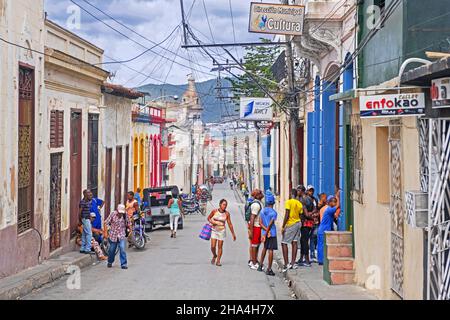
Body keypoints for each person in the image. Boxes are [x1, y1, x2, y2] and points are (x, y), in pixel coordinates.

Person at [207, 199, 237, 267]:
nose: (225, 206)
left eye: (226, 205)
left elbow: (230, 224)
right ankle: (215, 255)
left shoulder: (227, 214)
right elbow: (208, 218)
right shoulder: (214, 211)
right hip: (214, 230)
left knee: (220, 246)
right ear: (220, 204)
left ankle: (218, 261)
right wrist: (212, 222)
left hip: (221, 231)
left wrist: (233, 234)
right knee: (213, 246)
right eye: (223, 204)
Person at [281, 189, 303, 271]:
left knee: (284, 242)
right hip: (298, 223)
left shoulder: (289, 202)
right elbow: (300, 215)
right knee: (294, 242)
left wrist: (283, 226)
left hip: (291, 224)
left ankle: (286, 263)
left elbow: (287, 214)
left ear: (291, 194)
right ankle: (293, 263)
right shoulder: (299, 204)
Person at [317, 190, 341, 265]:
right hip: (323, 230)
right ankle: (321, 260)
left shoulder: (327, 209)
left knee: (321, 245)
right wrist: (337, 197)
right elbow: (337, 206)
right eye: (333, 201)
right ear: (329, 202)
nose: (334, 203)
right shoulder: (329, 209)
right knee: (322, 245)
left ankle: (321, 259)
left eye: (335, 201)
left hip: (323, 229)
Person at [258, 192, 278, 276]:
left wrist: (265, 232)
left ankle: (260, 265)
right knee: (270, 250)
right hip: (271, 233)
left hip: (264, 233)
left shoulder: (262, 211)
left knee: (264, 248)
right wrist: (268, 232)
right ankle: (269, 269)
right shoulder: (274, 213)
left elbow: (260, 223)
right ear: (273, 203)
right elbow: (270, 224)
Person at [105, 204, 129, 269]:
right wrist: (106, 232)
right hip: (113, 235)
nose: (120, 214)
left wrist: (130, 231)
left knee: (122, 248)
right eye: (119, 212)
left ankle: (123, 264)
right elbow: (106, 222)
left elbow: (129, 223)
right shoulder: (113, 214)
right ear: (117, 211)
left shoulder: (125, 215)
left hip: (121, 234)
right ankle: (110, 261)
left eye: (122, 213)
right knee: (112, 250)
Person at [297, 185, 313, 267]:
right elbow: (314, 209)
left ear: (301, 191)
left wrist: (309, 216)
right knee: (303, 240)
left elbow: (306, 213)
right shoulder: (310, 198)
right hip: (309, 222)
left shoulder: (303, 200)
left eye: (298, 190)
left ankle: (306, 260)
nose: (297, 192)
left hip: (305, 222)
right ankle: (301, 258)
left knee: (304, 241)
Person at [248, 189, 264, 270]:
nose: (262, 194)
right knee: (254, 245)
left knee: (256, 245)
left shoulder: (258, 203)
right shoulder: (256, 205)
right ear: (257, 195)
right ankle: (253, 263)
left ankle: (255, 260)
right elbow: (252, 217)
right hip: (256, 226)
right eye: (260, 193)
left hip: (257, 226)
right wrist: (251, 231)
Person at [79, 189, 93, 254]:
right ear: (84, 194)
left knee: (84, 234)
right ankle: (87, 249)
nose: (90, 194)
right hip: (85, 219)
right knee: (89, 234)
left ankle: (82, 248)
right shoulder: (83, 202)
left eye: (90, 192)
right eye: (88, 193)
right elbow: (80, 212)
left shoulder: (89, 201)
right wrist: (79, 220)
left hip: (87, 219)